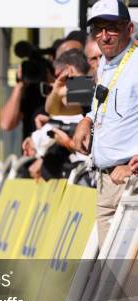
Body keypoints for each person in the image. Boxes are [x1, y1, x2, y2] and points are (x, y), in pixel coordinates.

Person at [72, 0, 138, 247]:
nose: (104, 36)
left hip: (130, 182)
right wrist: (87, 120)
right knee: (111, 277)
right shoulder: (105, 62)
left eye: (112, 28)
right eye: (98, 29)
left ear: (128, 29)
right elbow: (101, 104)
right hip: (105, 181)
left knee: (128, 280)